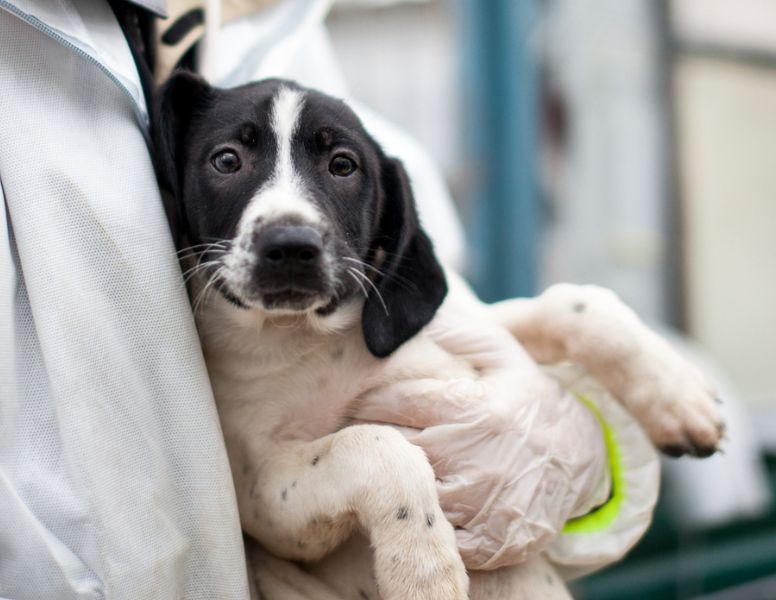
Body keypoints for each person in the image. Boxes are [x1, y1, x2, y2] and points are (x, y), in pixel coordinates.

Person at [0, 1, 642, 597]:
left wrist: (590, 448)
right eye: (228, 160)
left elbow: (440, 291)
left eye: (337, 167)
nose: (290, 219)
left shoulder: (270, 22)